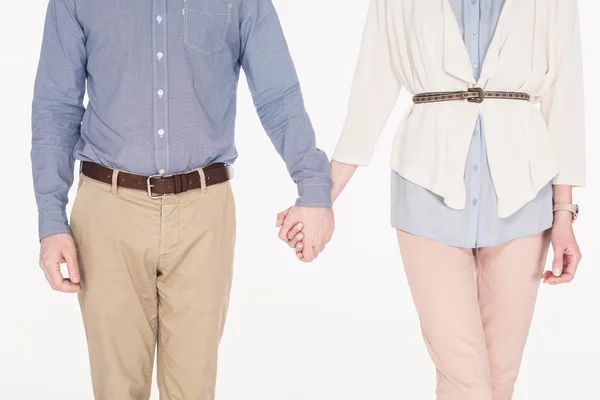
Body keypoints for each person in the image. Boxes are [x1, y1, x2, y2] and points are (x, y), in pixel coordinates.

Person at [278, 0, 585, 399]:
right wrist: (320, 198)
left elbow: (566, 98)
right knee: (466, 382)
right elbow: (370, 93)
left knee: (498, 381)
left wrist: (564, 213)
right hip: (426, 189)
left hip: (525, 197)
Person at [31, 0, 334, 398]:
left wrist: (313, 187)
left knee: (193, 390)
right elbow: (56, 108)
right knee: (116, 389)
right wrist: (51, 220)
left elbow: (278, 95)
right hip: (107, 212)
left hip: (203, 215)